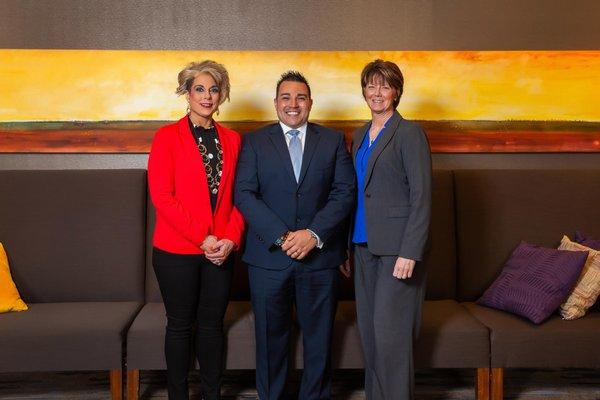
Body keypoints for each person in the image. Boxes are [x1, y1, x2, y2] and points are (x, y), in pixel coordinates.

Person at [234, 71, 355, 400]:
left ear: (310, 103)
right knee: (270, 340)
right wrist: (283, 236)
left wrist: (313, 235)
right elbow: (244, 194)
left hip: (319, 259)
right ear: (275, 104)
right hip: (269, 258)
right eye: (286, 97)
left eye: (301, 97)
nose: (293, 104)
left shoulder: (332, 141)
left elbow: (344, 193)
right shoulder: (255, 141)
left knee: (319, 341)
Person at [147, 60, 244, 400]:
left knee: (212, 326)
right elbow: (162, 196)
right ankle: (178, 395)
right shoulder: (166, 137)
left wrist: (229, 239)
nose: (207, 96)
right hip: (177, 251)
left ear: (222, 95)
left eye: (214, 89)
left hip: (220, 252)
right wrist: (203, 238)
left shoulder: (233, 140)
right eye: (199, 89)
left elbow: (240, 198)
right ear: (187, 94)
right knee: (179, 327)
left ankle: (212, 394)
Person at [351, 59, 432, 400]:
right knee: (370, 337)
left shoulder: (409, 133)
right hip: (361, 246)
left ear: (397, 91)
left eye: (385, 86)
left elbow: (422, 195)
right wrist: (345, 248)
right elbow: (355, 192)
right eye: (371, 85)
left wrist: (410, 252)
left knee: (391, 339)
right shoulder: (358, 135)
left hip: (397, 252)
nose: (377, 93)